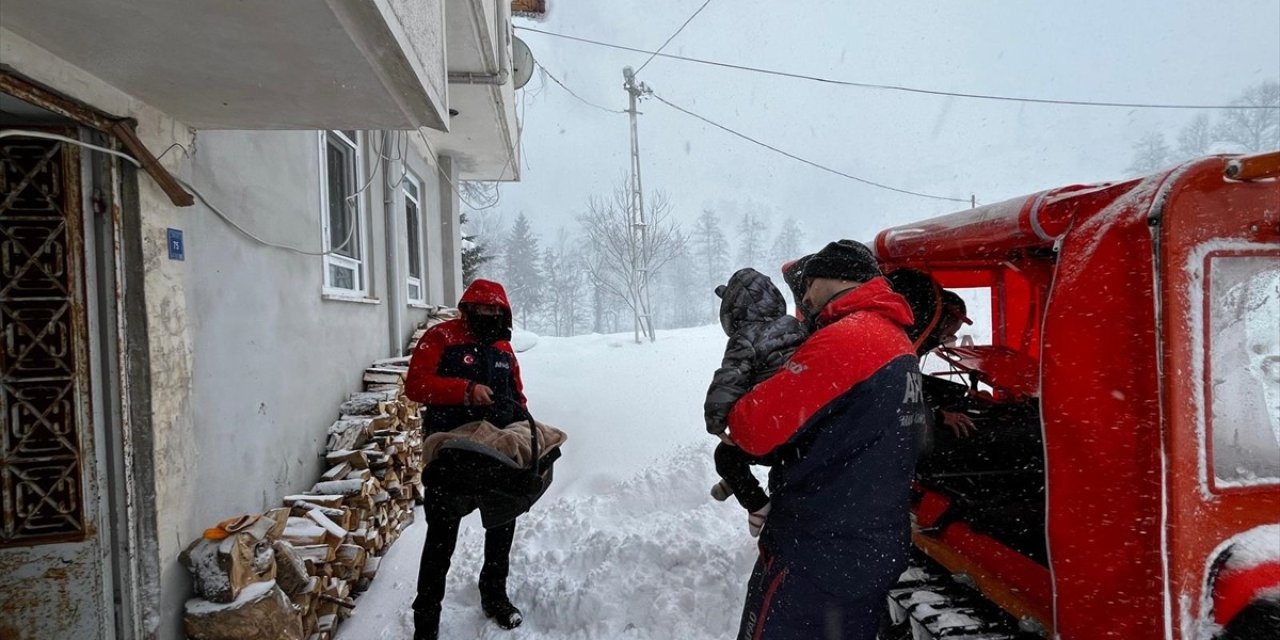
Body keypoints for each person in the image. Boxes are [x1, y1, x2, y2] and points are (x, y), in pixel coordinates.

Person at [725, 240, 927, 640]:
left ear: (826, 280)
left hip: (818, 549)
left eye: (808, 285)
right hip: (871, 542)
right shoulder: (894, 338)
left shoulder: (847, 340)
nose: (804, 298)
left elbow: (751, 430)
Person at [403, 279, 530, 640]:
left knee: (501, 524)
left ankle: (494, 595)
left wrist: (524, 429)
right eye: (483, 308)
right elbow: (416, 384)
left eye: (496, 310)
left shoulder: (504, 348)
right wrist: (465, 391)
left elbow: (517, 397)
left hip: (496, 453)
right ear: (468, 308)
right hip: (450, 454)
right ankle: (426, 619)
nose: (489, 314)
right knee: (441, 537)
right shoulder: (441, 337)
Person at [703, 268, 808, 536]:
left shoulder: (746, 338)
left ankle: (757, 504)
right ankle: (733, 481)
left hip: (772, 426)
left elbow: (729, 380)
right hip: (805, 422)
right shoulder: (796, 326)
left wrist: (715, 422)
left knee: (726, 455)